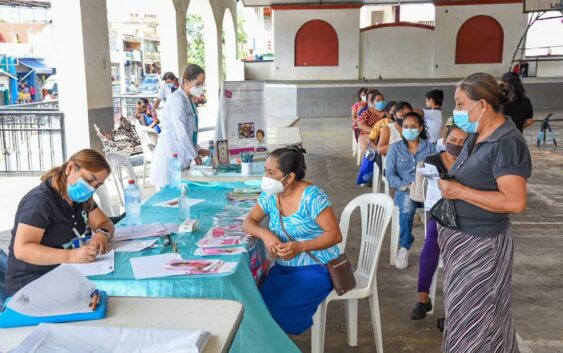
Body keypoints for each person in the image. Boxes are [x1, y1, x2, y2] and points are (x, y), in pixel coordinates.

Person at [438, 73, 531, 353]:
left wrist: (461, 192)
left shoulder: (507, 142)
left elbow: (515, 202)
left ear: (482, 104)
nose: (456, 110)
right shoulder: (478, 135)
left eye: (460, 103)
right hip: (463, 244)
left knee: (480, 322)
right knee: (464, 316)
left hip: (482, 247)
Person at [243, 147, 342, 334]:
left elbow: (335, 235)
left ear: (289, 178)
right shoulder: (270, 195)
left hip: (317, 268)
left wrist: (300, 246)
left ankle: (276, 343)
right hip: (283, 269)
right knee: (256, 306)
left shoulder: (312, 197)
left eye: (271, 172)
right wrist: (265, 234)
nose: (266, 176)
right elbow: (249, 222)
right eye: (266, 170)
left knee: (276, 311)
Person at [5, 149, 115, 295]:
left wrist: (102, 235)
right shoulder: (40, 202)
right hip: (29, 285)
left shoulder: (81, 199)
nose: (91, 188)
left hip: (62, 272)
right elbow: (22, 249)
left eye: (97, 185)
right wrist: (72, 256)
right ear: (70, 168)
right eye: (88, 180)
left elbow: (104, 223)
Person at [410, 124, 468, 320]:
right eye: (453, 140)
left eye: (463, 142)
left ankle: (452, 310)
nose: (457, 145)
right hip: (441, 214)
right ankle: (423, 297)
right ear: (445, 140)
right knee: (431, 241)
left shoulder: (472, 161)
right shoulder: (433, 160)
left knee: (461, 252)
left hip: (469, 215)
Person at [386, 112, 436, 269]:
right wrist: (406, 186)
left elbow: (437, 170)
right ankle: (405, 247)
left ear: (420, 128)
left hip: (427, 190)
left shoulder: (430, 148)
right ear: (401, 129)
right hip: (405, 189)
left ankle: (435, 248)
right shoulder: (394, 149)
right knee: (407, 206)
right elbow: (390, 174)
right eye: (406, 127)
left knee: (440, 211)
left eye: (413, 127)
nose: (409, 130)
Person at [150, 64, 209, 188]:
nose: (200, 87)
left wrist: (197, 149)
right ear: (186, 81)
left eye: (202, 84)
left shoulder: (189, 101)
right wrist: (195, 156)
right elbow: (181, 133)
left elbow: (190, 131)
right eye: (198, 84)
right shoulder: (177, 100)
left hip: (180, 158)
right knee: (170, 197)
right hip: (170, 156)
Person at [358, 90, 386, 157]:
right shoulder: (367, 112)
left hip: (384, 134)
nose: (381, 102)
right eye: (378, 100)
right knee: (369, 146)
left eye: (382, 100)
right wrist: (374, 131)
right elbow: (361, 124)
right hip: (368, 134)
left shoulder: (387, 113)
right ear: (372, 103)